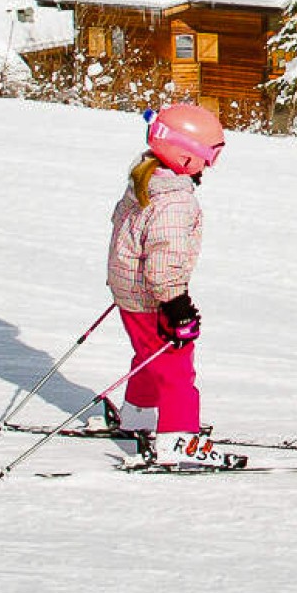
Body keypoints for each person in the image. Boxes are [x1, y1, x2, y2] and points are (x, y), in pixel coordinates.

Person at [106, 104, 244, 469]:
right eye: (205, 158)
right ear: (183, 156)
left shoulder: (146, 179)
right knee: (176, 369)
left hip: (132, 293)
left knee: (148, 356)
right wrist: (176, 305)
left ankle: (139, 413)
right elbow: (165, 258)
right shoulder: (175, 203)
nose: (209, 166)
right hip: (155, 298)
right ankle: (179, 438)